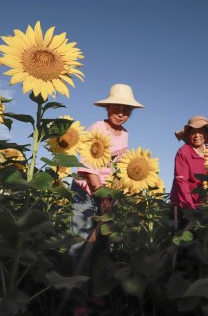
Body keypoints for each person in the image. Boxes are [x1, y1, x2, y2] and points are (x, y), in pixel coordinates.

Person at [69, 83, 145, 315]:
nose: (121, 113)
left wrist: (113, 192)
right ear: (108, 107)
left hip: (107, 195)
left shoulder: (125, 135)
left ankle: (96, 292)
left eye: (127, 109)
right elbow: (88, 164)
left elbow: (117, 167)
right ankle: (78, 300)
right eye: (117, 107)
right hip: (86, 191)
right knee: (80, 245)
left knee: (102, 246)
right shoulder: (97, 127)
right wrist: (100, 191)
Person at [170, 115, 208, 226]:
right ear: (189, 135)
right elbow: (181, 182)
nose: (197, 135)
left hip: (204, 203)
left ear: (206, 133)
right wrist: (190, 210)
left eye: (200, 131)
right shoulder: (183, 152)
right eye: (193, 132)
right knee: (183, 237)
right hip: (184, 203)